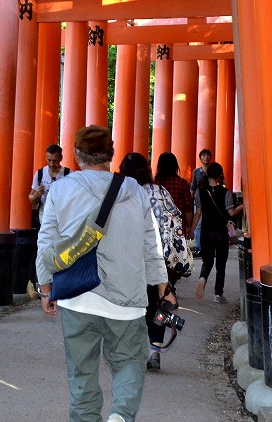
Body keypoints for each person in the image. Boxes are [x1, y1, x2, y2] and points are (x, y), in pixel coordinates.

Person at [37, 125, 171, 422]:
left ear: (76, 154)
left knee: (81, 374)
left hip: (77, 294)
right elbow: (151, 242)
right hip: (126, 296)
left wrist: (46, 287)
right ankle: (120, 415)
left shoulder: (60, 189)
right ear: (111, 154)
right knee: (129, 362)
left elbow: (46, 242)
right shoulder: (134, 190)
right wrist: (161, 283)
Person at [118, 152, 187, 372]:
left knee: (133, 303)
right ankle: (154, 349)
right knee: (158, 302)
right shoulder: (160, 192)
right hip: (159, 258)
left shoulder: (121, 194)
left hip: (129, 258)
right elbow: (175, 222)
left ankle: (131, 350)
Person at [190, 162, 243, 304]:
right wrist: (242, 206)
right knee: (221, 264)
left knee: (207, 261)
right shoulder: (225, 192)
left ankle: (202, 278)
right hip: (221, 233)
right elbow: (231, 212)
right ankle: (218, 294)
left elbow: (198, 214)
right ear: (220, 175)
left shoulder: (200, 191)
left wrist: (191, 231)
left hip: (206, 231)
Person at [28, 143, 71, 230]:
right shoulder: (40, 174)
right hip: (43, 216)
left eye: (55, 161)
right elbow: (31, 198)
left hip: (62, 217)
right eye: (49, 160)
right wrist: (36, 195)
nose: (51, 164)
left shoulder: (68, 174)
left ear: (61, 158)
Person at [153, 152, 193, 240]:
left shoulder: (154, 184)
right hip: (178, 226)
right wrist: (189, 227)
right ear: (175, 166)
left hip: (158, 225)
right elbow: (188, 208)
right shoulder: (182, 183)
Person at [189, 148, 213, 254]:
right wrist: (190, 199)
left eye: (207, 155)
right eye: (203, 155)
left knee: (210, 224)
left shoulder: (213, 170)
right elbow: (193, 186)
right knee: (198, 224)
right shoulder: (196, 172)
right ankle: (199, 247)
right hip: (199, 200)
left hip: (212, 201)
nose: (206, 157)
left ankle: (210, 247)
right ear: (200, 158)